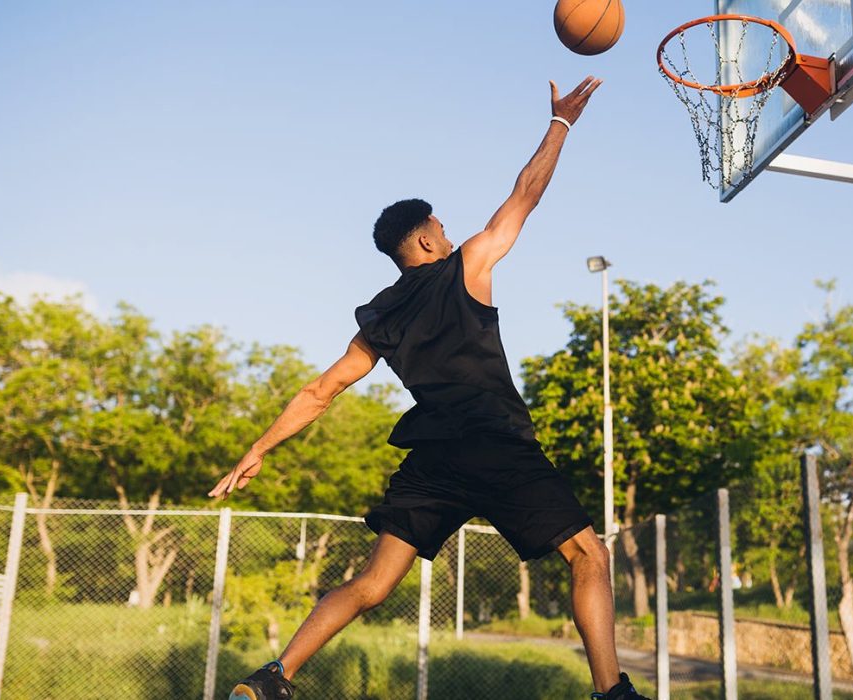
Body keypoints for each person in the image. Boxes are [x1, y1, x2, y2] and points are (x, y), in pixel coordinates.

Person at [210, 76, 650, 700]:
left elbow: (320, 391)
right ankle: (612, 693)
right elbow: (526, 194)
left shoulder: (381, 316)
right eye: (441, 228)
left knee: (371, 585)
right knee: (589, 556)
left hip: (435, 460)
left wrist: (258, 448)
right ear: (423, 240)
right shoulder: (465, 266)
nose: (448, 234)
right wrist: (561, 123)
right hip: (496, 445)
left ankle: (273, 678)